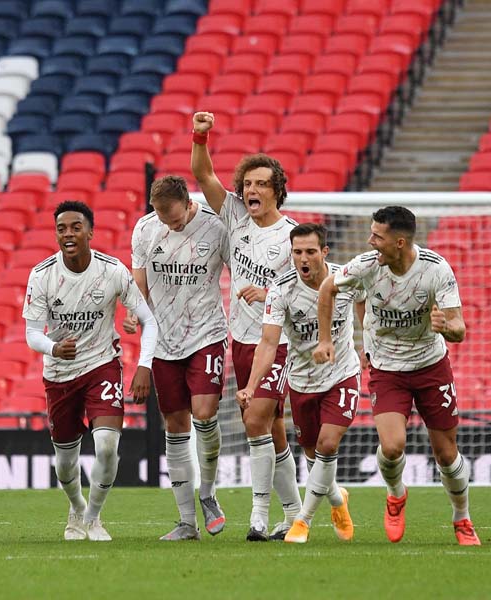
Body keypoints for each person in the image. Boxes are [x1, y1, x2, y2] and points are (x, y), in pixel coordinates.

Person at [314, 206, 481, 546]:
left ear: (399, 242)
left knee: (447, 454)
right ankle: (395, 495)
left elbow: (460, 328)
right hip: (387, 369)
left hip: (431, 366)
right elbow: (327, 287)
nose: (370, 241)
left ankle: (462, 518)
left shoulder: (436, 270)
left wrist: (446, 327)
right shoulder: (366, 266)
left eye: (378, 236)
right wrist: (326, 339)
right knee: (391, 448)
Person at [191, 111, 302, 541]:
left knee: (255, 421)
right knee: (270, 427)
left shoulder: (292, 237)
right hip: (240, 338)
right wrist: (201, 134)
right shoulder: (235, 215)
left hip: (275, 343)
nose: (251, 190)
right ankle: (293, 512)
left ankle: (257, 517)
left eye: (261, 184)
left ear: (277, 191)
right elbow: (202, 173)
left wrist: (269, 292)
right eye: (247, 184)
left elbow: (306, 292)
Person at [24, 201, 157, 541]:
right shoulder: (42, 275)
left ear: (90, 232)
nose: (68, 233)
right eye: (61, 228)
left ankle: (93, 518)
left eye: (75, 227)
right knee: (65, 463)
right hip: (59, 373)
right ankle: (76, 507)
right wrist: (53, 348)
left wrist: (144, 365)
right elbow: (32, 334)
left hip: (102, 365)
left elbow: (148, 320)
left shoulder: (112, 271)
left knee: (108, 445)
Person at [236, 224, 363, 544]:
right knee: (313, 457)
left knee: (328, 445)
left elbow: (365, 309)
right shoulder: (280, 289)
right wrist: (252, 385)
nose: (303, 258)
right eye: (297, 252)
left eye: (310, 252)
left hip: (342, 374)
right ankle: (338, 500)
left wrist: (370, 349)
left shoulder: (347, 279)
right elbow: (267, 344)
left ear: (325, 253)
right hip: (303, 382)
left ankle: (301, 523)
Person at [126, 175, 229, 541]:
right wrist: (131, 312)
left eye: (175, 219)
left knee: (204, 412)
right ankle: (187, 522)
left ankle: (209, 493)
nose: (170, 226)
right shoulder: (145, 229)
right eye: (163, 219)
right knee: (175, 425)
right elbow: (138, 282)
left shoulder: (215, 229)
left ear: (188, 202)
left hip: (206, 334)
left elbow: (240, 269)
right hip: (164, 340)